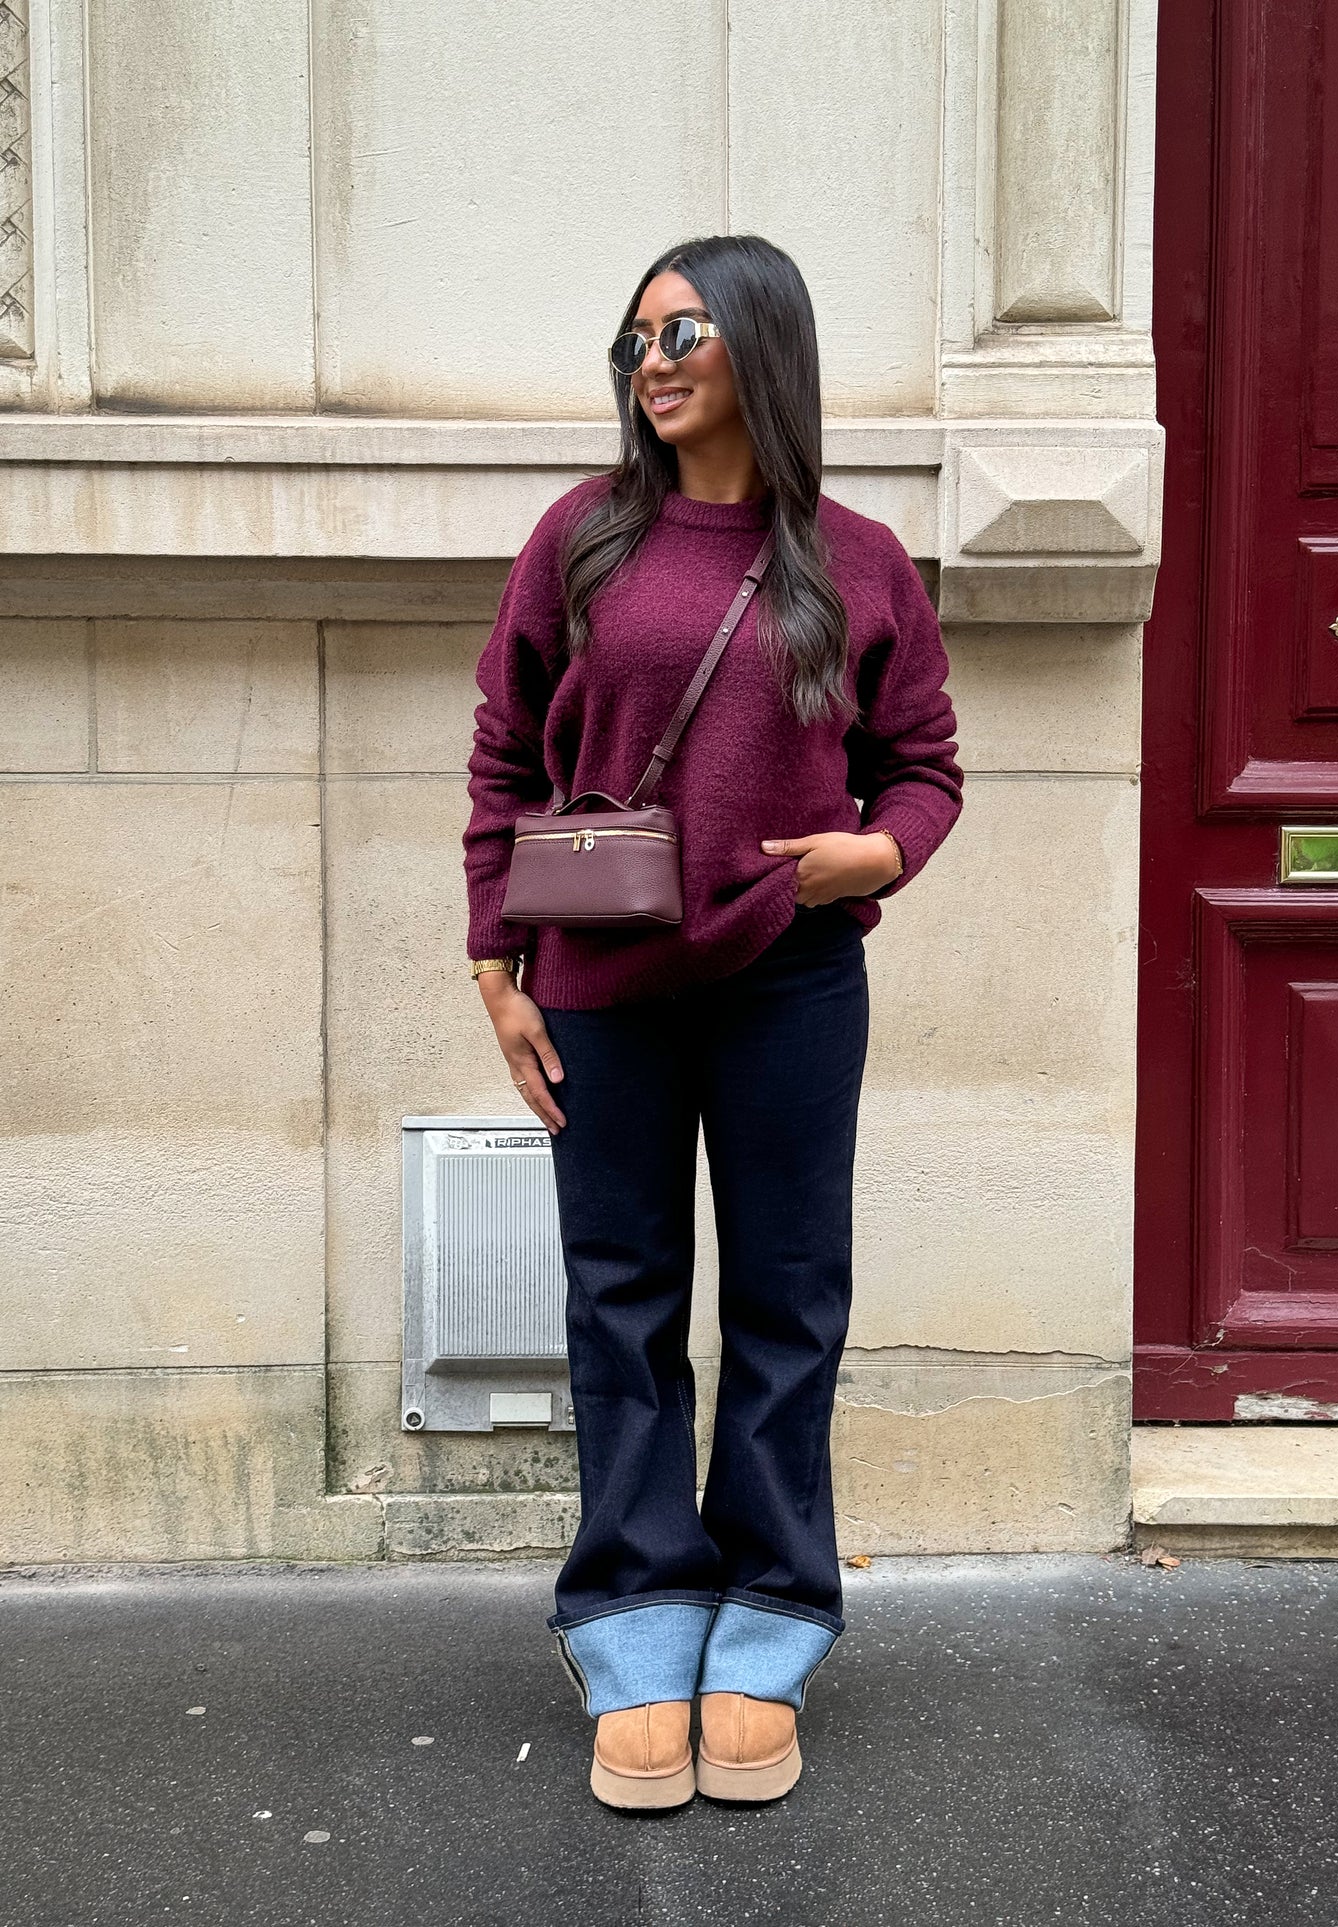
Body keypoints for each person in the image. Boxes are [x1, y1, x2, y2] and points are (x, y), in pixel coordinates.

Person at [462, 233, 962, 1809]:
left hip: (790, 985)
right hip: (601, 989)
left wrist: (879, 852)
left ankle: (768, 1613)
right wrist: (495, 966)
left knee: (786, 1306)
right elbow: (501, 760)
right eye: (631, 342)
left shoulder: (859, 560)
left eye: (680, 330)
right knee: (618, 1303)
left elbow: (926, 765)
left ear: (761, 341)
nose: (651, 362)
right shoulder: (581, 541)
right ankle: (630, 1606)